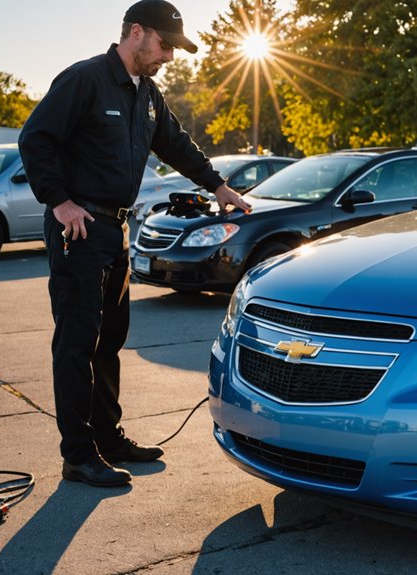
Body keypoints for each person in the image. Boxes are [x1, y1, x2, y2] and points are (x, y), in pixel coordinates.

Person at [19, 0, 251, 488]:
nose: (168, 56)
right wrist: (59, 202)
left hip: (116, 229)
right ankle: (78, 455)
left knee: (110, 341)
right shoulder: (85, 79)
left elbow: (175, 143)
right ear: (136, 33)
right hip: (77, 229)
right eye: (165, 45)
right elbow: (35, 138)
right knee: (77, 342)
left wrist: (218, 185)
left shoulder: (148, 94)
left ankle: (108, 438)